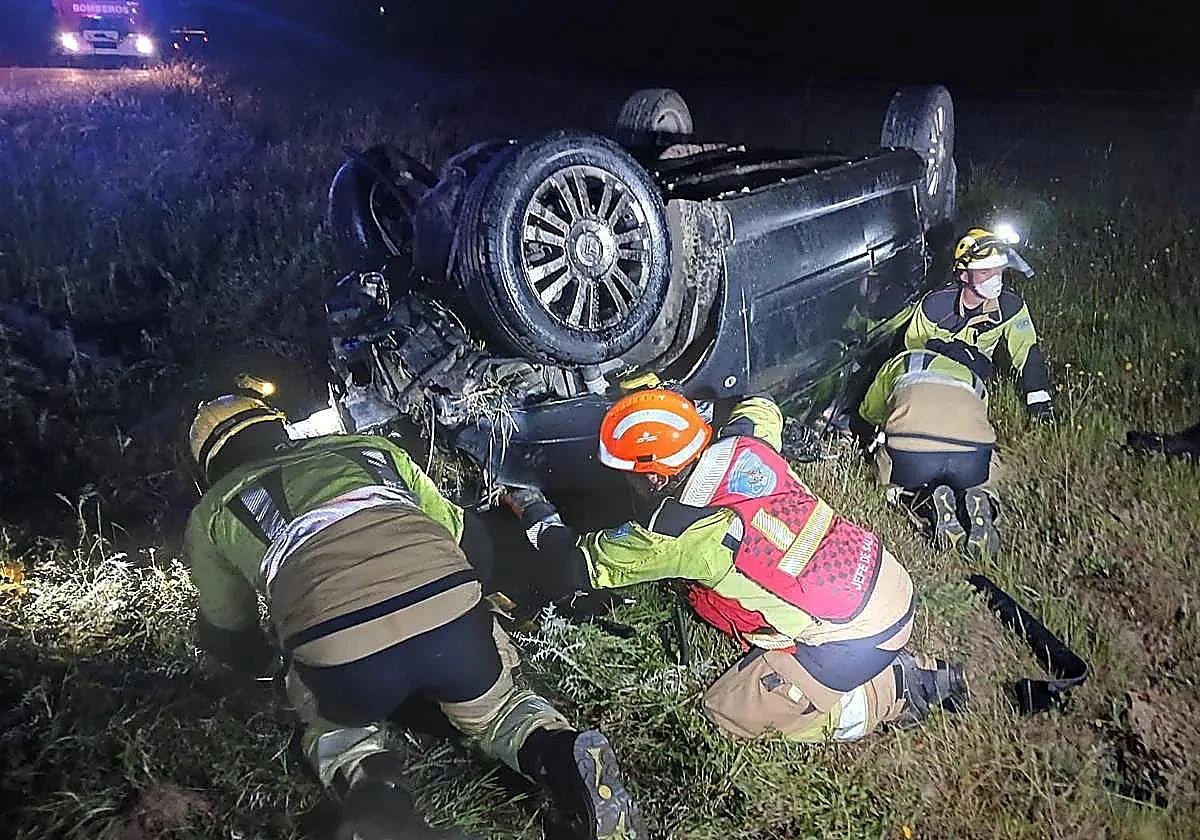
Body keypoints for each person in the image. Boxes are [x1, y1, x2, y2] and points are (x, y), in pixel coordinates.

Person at [182, 386, 644, 840]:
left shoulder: (211, 512)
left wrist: (270, 667)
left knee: (339, 731)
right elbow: (461, 533)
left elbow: (229, 629)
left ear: (209, 463)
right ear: (278, 427)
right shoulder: (369, 448)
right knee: (501, 709)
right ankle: (562, 756)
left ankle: (378, 802)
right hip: (450, 623)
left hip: (345, 653)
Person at [505, 389, 968, 745]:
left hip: (859, 634)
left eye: (628, 473)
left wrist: (533, 510)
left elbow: (575, 566)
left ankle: (894, 691)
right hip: (884, 575)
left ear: (655, 476)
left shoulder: (678, 534)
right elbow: (760, 404)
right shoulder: (747, 443)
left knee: (729, 710)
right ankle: (869, 663)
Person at [854, 340, 1000, 559]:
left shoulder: (906, 360)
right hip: (970, 461)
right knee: (987, 467)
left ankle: (920, 501)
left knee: (892, 482)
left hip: (914, 459)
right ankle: (986, 500)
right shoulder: (975, 381)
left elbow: (869, 413)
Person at [904, 227, 1054, 421]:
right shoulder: (935, 306)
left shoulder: (1010, 306)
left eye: (998, 271)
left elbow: (1027, 351)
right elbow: (913, 352)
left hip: (977, 372)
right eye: (985, 272)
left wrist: (1039, 401)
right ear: (964, 275)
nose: (995, 279)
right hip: (935, 373)